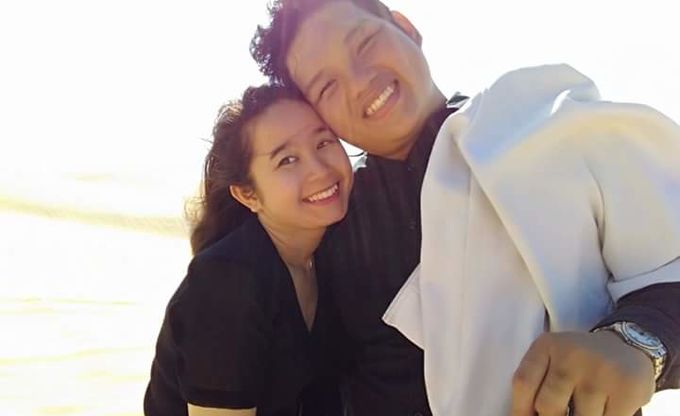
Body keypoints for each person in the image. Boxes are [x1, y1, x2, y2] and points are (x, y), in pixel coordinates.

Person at [250, 0, 680, 415]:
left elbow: (666, 276)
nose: (359, 82)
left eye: (363, 43)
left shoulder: (545, 131)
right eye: (326, 86)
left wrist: (635, 343)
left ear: (405, 28)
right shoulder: (333, 222)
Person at [143, 84, 354, 416]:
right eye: (287, 160)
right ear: (248, 195)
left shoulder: (327, 253)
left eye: (323, 142)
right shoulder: (228, 282)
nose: (319, 169)